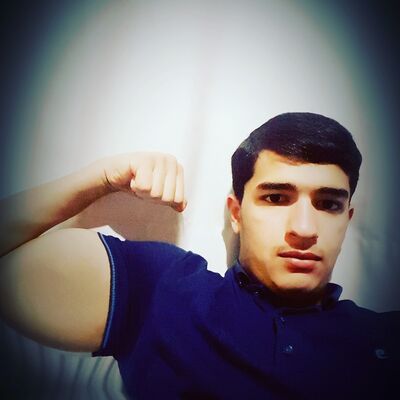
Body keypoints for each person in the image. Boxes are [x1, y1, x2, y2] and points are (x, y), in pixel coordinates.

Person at [0, 112, 398, 399]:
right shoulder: (164, 292)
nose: (305, 228)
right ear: (236, 213)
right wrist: (100, 177)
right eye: (276, 198)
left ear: (347, 220)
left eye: (328, 205)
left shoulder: (383, 339)